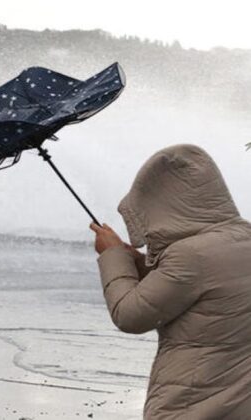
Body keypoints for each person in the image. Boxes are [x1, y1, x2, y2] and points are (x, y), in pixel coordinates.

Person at [90, 144, 251, 419]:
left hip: (194, 402)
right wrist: (137, 261)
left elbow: (130, 316)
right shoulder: (242, 236)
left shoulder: (190, 255)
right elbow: (199, 288)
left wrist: (113, 255)